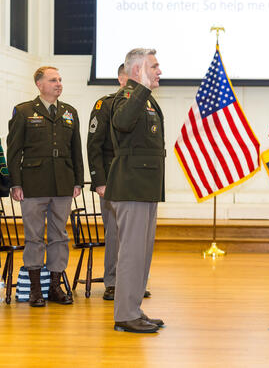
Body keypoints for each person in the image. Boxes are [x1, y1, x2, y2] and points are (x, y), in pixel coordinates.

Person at [7, 66, 83, 307]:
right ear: (39, 84)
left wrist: (78, 180)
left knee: (59, 236)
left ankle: (54, 287)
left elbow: (76, 151)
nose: (58, 83)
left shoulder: (69, 112)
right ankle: (35, 290)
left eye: (60, 79)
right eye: (53, 80)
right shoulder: (24, 111)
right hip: (32, 184)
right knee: (34, 237)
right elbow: (14, 151)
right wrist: (15, 183)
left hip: (63, 183)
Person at [105, 49, 165, 333]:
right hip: (131, 185)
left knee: (142, 253)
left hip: (145, 187)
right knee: (130, 253)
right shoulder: (127, 96)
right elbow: (122, 123)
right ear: (139, 69)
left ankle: (134, 309)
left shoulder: (145, 98)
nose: (159, 71)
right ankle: (125, 315)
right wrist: (140, 86)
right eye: (154, 66)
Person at [87, 63, 151, 301]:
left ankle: (132, 283)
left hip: (136, 181)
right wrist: (99, 182)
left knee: (136, 237)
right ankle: (113, 282)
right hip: (113, 181)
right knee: (115, 234)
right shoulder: (106, 104)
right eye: (131, 78)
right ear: (121, 79)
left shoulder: (144, 105)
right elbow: (94, 146)